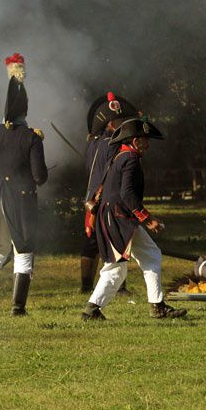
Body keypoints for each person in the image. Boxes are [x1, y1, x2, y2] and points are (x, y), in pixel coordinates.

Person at [82, 117, 186, 320]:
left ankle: (94, 309)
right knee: (124, 264)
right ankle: (155, 307)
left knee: (137, 260)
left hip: (115, 216)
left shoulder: (121, 156)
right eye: (144, 140)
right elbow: (127, 193)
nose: (147, 144)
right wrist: (147, 219)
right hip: (119, 218)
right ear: (135, 141)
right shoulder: (129, 159)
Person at [0, 53, 48, 316]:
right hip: (20, 200)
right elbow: (39, 177)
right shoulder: (32, 137)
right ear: (24, 110)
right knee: (23, 251)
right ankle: (17, 307)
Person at [80, 92, 138, 293]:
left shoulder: (93, 143)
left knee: (92, 243)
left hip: (91, 198)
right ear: (111, 124)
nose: (123, 123)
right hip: (104, 197)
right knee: (116, 240)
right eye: (120, 120)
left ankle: (86, 287)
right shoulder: (115, 144)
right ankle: (119, 288)